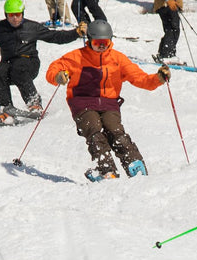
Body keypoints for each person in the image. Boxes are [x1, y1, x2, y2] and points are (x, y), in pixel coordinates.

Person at [46, 20, 170, 181]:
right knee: (94, 130)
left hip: (109, 103)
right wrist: (58, 76)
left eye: (105, 42)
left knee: (115, 131)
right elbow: (54, 69)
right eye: (97, 43)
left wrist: (158, 79)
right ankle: (106, 169)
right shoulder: (76, 57)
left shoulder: (118, 59)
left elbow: (140, 78)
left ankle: (134, 164)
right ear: (89, 40)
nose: (101, 46)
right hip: (82, 102)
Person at [0, 0, 84, 125]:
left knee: (18, 68)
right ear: (6, 15)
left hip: (29, 62)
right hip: (8, 63)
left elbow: (56, 37)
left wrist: (76, 33)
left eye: (18, 14)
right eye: (11, 15)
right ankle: (5, 110)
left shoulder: (32, 27)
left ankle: (34, 104)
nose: (15, 18)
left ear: (22, 14)